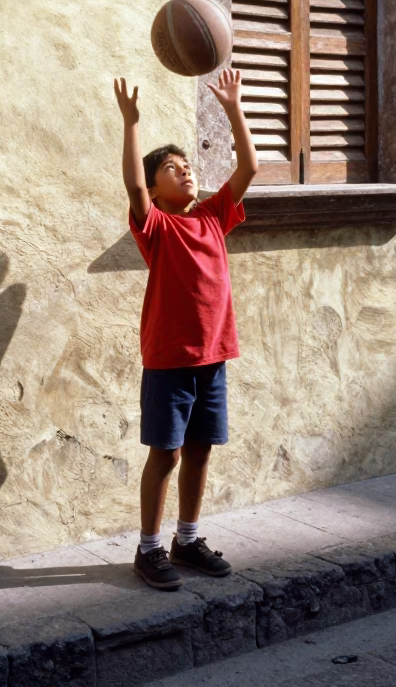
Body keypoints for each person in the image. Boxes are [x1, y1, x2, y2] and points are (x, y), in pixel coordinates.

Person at [113, 69, 258, 590]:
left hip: (213, 357)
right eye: (171, 170)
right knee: (166, 453)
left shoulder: (214, 216)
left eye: (187, 166)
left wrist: (233, 107)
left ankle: (188, 539)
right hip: (170, 359)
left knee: (199, 450)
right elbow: (132, 184)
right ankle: (149, 548)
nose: (185, 172)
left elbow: (249, 166)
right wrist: (131, 124)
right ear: (156, 189)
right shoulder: (156, 226)